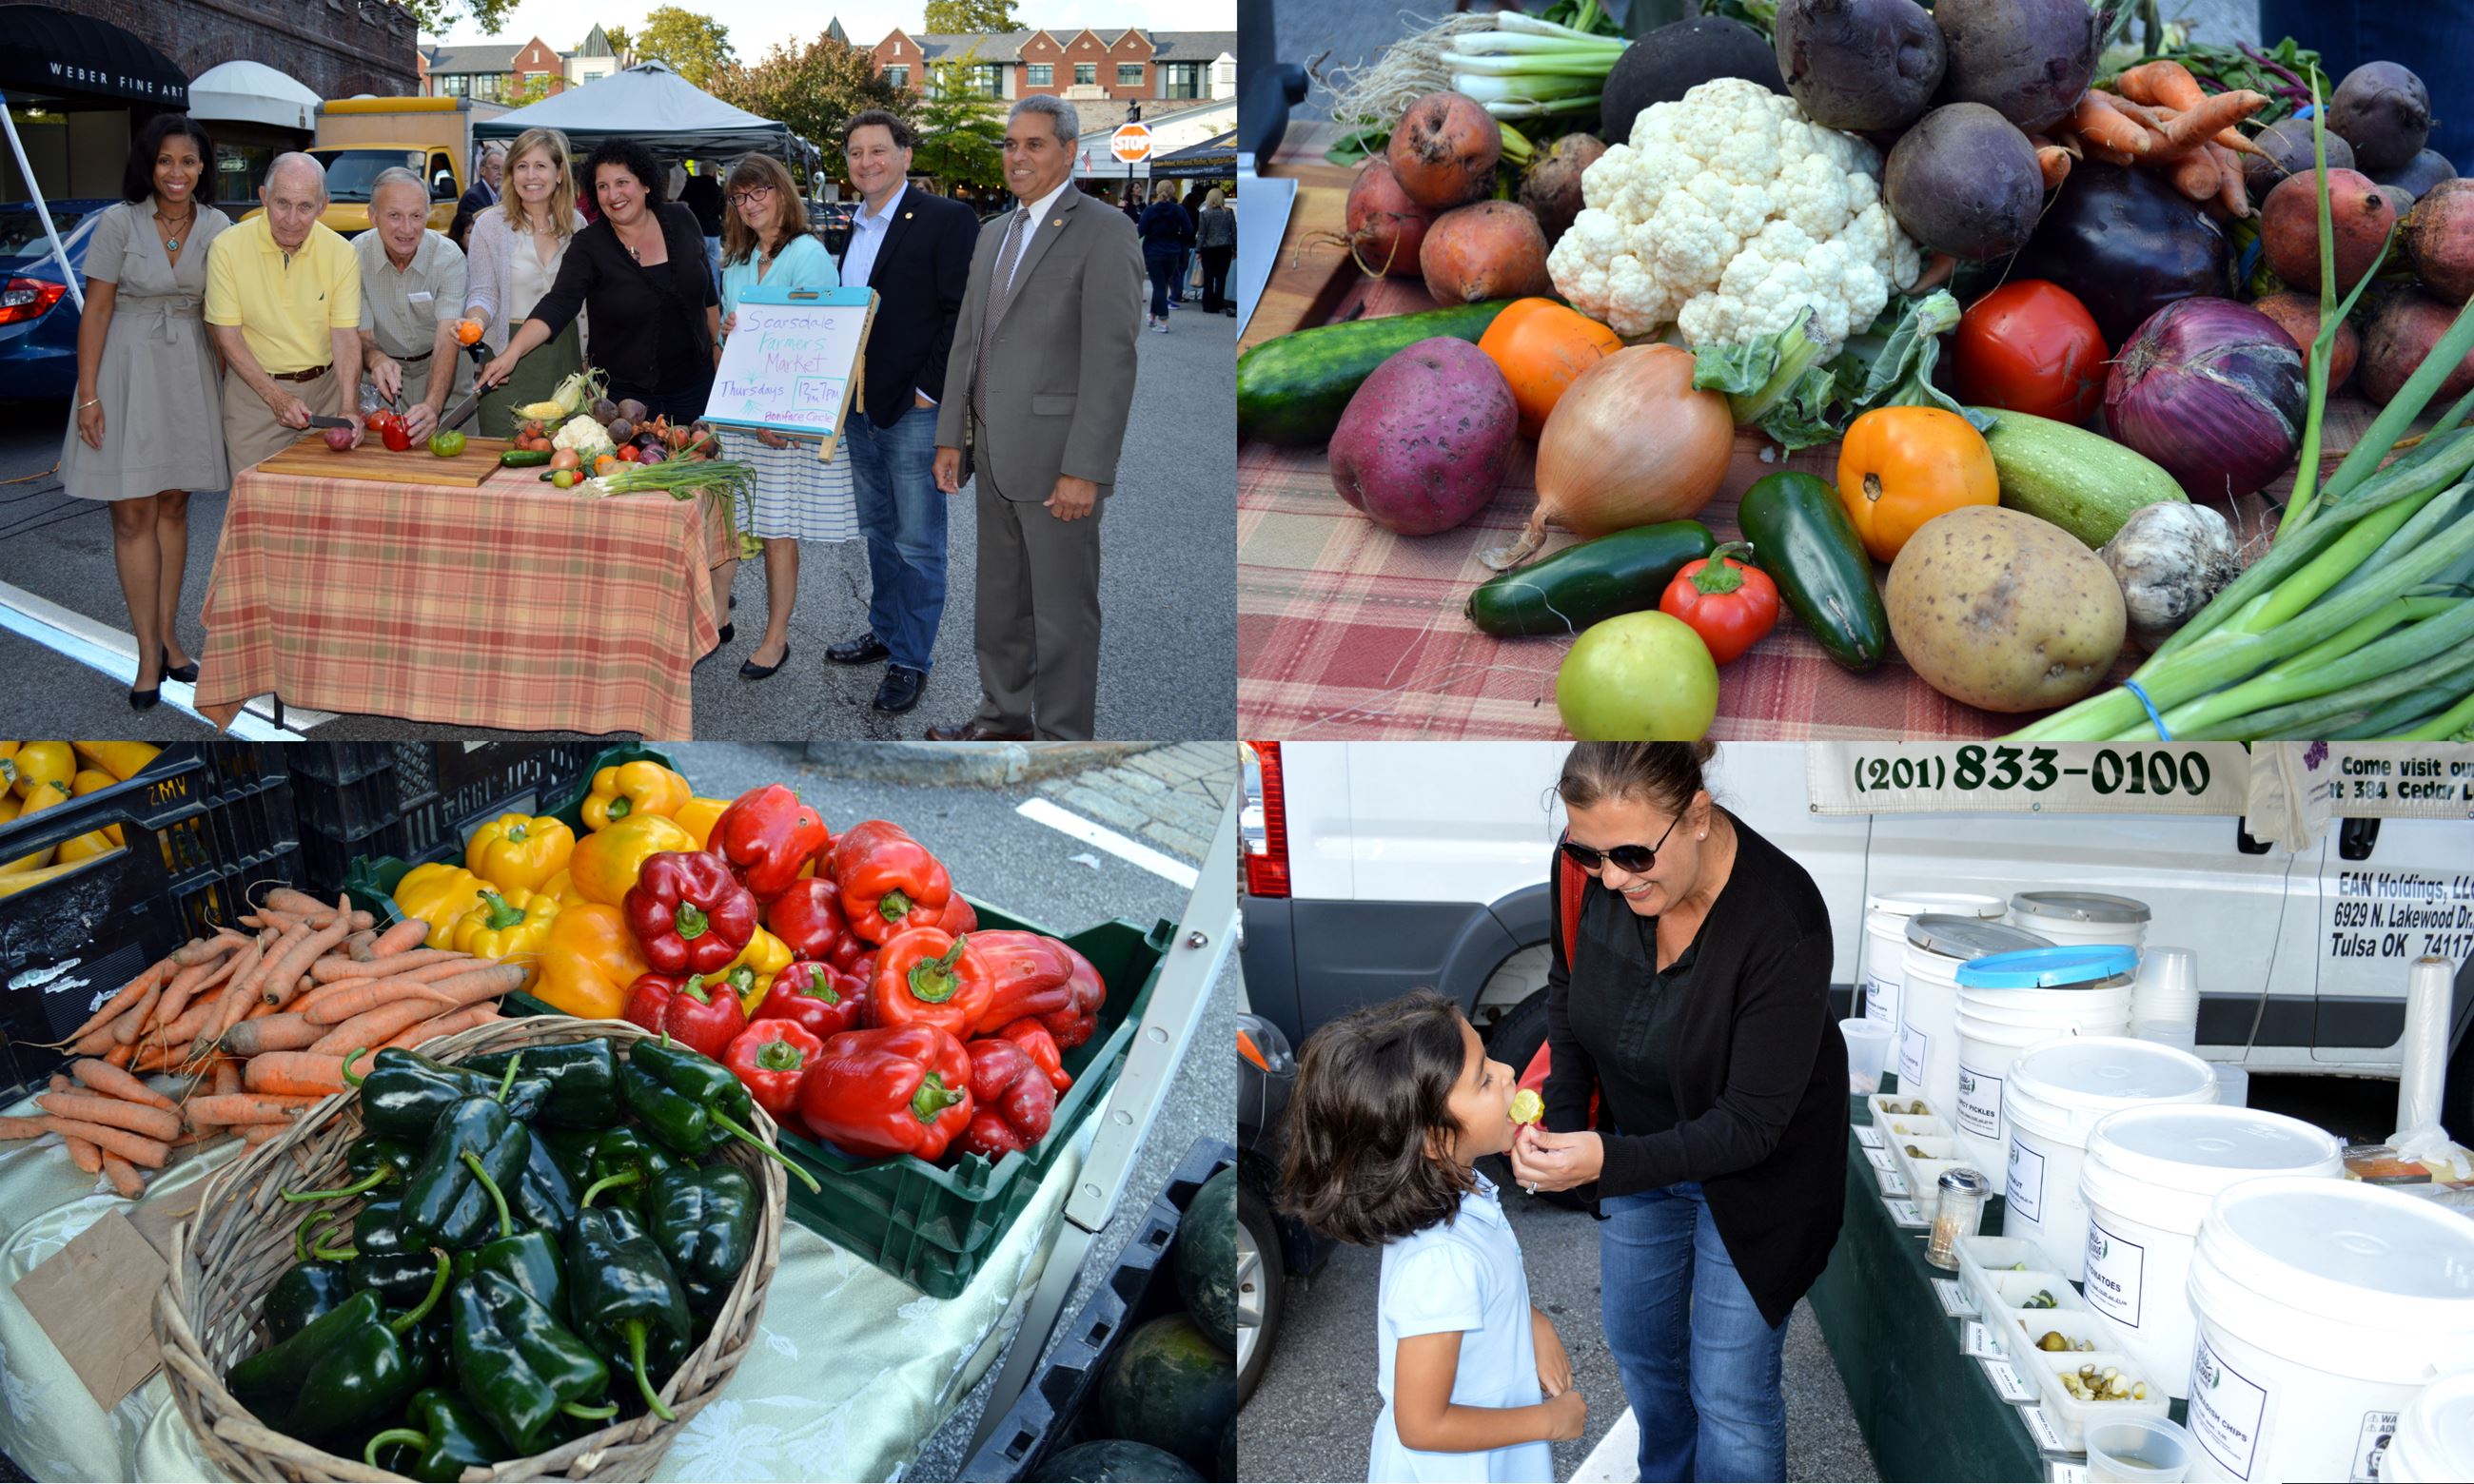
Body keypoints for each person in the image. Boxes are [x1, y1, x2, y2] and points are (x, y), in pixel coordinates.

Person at [1510, 742, 1848, 1484]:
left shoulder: (1781, 918)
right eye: (1589, 853)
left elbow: (1752, 1126)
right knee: (1643, 1352)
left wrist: (1607, 1159)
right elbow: (1566, 999)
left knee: (1728, 1390)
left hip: (1756, 1175)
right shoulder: (1589, 873)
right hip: (1637, 1149)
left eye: (1633, 854)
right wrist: (1569, 1127)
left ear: (1697, 815)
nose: (1612, 878)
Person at [1280, 989, 1588, 1482]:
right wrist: (1548, 1421)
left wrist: (1531, 1322)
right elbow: (1421, 1424)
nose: (1508, 1072)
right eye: (1484, 1077)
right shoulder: (1440, 1263)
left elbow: (1489, 1284)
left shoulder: (1461, 1189)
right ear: (1432, 1138)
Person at [928, 95, 1144, 742]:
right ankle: (1001, 718)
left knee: (1062, 616)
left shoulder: (1105, 231)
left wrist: (1085, 469)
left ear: (1070, 153)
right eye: (1010, 144)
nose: (1017, 157)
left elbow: (1112, 363)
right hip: (992, 455)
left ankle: (1062, 739)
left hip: (1057, 464)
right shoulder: (995, 232)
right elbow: (968, 340)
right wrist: (951, 438)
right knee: (999, 607)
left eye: (1034, 145)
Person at [480, 136, 730, 641]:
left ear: (644, 183)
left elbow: (708, 294)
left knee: (707, 496)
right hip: (628, 404)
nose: (615, 194)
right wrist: (509, 352)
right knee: (641, 509)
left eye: (623, 182)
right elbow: (557, 305)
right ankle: (648, 610)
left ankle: (717, 612)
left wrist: (722, 354)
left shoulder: (682, 221)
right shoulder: (590, 244)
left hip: (696, 387)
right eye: (602, 186)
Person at [60, 113, 231, 711]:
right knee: (132, 513)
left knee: (174, 506)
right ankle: (144, 655)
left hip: (189, 370)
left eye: (188, 160)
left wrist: (230, 389)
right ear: (148, 165)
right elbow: (97, 313)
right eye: (165, 160)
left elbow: (223, 314)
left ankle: (170, 641)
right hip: (125, 371)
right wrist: (88, 394)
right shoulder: (117, 222)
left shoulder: (218, 226)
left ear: (203, 166)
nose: (176, 172)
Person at [832, 109, 977, 716]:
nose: (866, 162)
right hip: (861, 408)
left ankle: (912, 660)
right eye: (856, 153)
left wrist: (930, 392)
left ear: (905, 155)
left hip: (915, 409)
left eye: (878, 150)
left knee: (918, 543)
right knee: (878, 534)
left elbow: (962, 314)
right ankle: (886, 631)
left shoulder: (946, 219)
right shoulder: (853, 228)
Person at [714, 151, 853, 681]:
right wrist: (728, 334)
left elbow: (817, 344)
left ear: (781, 193)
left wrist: (782, 419)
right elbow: (737, 344)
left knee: (776, 530)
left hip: (784, 419)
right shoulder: (737, 260)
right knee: (730, 521)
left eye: (758, 193)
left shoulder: (808, 253)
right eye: (739, 197)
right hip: (742, 414)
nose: (749, 205)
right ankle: (717, 616)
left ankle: (776, 638)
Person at [204, 153, 363, 475]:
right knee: (258, 511)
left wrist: (348, 408)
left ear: (323, 206)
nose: (291, 219)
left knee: (324, 509)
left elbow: (345, 335)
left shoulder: (342, 252)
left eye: (305, 207)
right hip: (255, 396)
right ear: (264, 197)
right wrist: (276, 398)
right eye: (281, 203)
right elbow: (227, 336)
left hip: (326, 393)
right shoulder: (226, 248)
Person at [461, 127, 587, 439]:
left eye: (540, 166)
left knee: (565, 456)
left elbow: (586, 302)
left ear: (560, 173)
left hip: (564, 357)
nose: (530, 175)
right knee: (502, 456)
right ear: (510, 174)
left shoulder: (578, 225)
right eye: (521, 166)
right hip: (507, 360)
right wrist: (475, 321)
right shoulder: (489, 226)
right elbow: (483, 292)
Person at [355, 167, 470, 442]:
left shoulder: (449, 257)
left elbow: (447, 339)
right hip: (386, 382)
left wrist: (433, 405)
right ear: (373, 216)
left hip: (445, 372)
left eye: (416, 216)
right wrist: (375, 358)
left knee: (455, 468)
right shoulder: (354, 257)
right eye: (394, 215)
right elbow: (361, 336)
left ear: (428, 216)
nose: (407, 229)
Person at [1138, 179, 1192, 333]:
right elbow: (1189, 230)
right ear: (1172, 192)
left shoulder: (1150, 210)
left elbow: (1141, 231)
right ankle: (1152, 315)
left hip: (1153, 251)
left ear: (1157, 191)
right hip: (1172, 251)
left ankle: (1163, 320)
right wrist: (1178, 237)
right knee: (1161, 285)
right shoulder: (1179, 210)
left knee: (1159, 285)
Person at [678, 163, 726, 298]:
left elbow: (681, 203)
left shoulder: (692, 184)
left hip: (696, 232)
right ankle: (715, 300)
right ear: (714, 172)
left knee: (695, 268)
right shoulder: (718, 189)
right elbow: (724, 215)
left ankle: (698, 299)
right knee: (714, 271)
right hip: (714, 234)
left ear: (700, 171)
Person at [1196, 186, 1236, 316]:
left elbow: (1202, 234)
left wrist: (1198, 250)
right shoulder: (1229, 213)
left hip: (1208, 248)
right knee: (1221, 278)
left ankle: (1208, 305)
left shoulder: (1204, 213)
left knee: (1208, 278)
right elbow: (1233, 231)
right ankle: (1219, 303)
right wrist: (1235, 247)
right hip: (1225, 248)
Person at [457, 145, 503, 221]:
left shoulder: (501, 195)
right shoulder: (473, 197)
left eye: (504, 169)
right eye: (496, 168)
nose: (501, 173)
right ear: (482, 171)